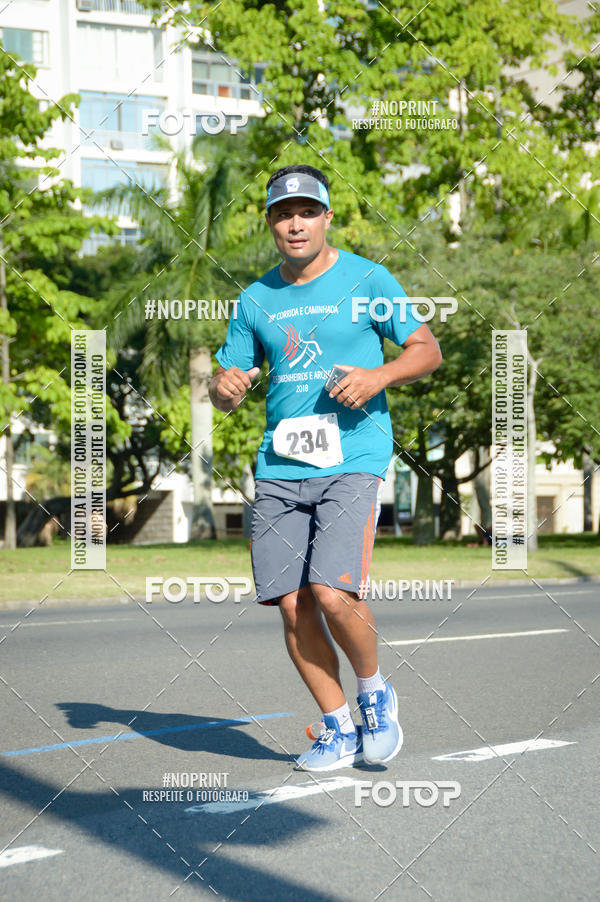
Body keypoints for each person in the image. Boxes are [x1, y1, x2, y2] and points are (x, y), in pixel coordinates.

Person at [209, 164, 442, 772]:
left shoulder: (369, 278)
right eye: (284, 213)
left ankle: (374, 696)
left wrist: (379, 376)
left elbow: (427, 349)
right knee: (292, 604)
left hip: (354, 457)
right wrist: (226, 388)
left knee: (331, 592)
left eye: (307, 211)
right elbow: (228, 382)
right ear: (270, 222)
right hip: (281, 466)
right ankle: (336, 726)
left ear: (326, 218)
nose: (295, 223)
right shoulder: (255, 299)